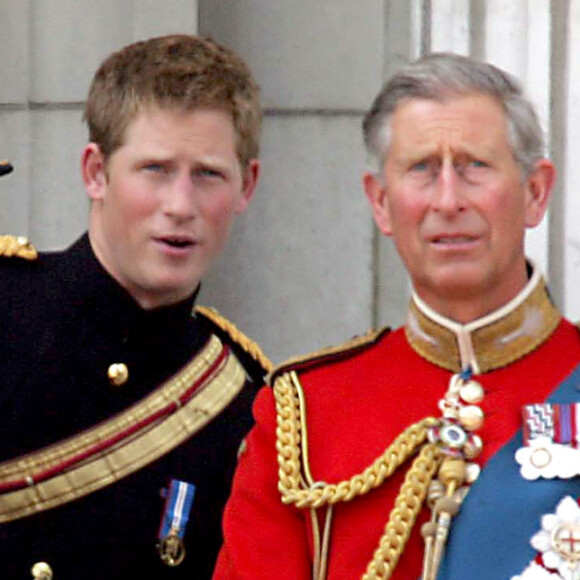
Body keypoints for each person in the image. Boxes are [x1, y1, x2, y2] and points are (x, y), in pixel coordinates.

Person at [214, 53, 580, 580]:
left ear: (535, 192)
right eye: (423, 169)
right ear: (381, 202)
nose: (449, 199)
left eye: (475, 165)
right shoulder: (306, 414)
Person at [0, 34, 271, 580]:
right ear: (96, 172)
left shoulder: (247, 404)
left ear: (247, 186)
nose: (180, 206)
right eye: (155, 170)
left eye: (208, 175)